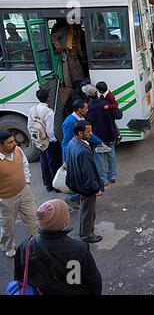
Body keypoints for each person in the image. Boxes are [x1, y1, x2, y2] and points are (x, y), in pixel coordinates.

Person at [13, 199, 102, 295]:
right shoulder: (78, 248)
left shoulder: (25, 246)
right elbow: (93, 280)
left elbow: (19, 277)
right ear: (64, 222)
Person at [0, 130, 39, 258]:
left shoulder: (17, 151)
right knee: (8, 228)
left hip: (24, 192)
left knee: (34, 218)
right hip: (6, 200)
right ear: (1, 146)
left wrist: (26, 182)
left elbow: (24, 164)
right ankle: (9, 247)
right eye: (10, 142)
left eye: (14, 140)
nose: (15, 144)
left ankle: (36, 243)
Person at [62, 100, 106, 211]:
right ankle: (72, 198)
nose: (87, 109)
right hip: (72, 156)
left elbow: (90, 135)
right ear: (78, 110)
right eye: (85, 108)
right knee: (81, 178)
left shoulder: (81, 121)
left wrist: (100, 142)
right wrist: (67, 159)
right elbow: (66, 141)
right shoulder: (69, 122)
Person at [65, 120, 104, 243]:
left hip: (77, 184)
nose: (91, 133)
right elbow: (88, 174)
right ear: (80, 133)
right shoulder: (83, 150)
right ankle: (87, 235)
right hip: (86, 187)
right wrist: (96, 188)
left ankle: (84, 231)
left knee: (84, 209)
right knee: (88, 211)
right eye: (88, 131)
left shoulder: (72, 143)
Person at [27, 89, 63, 192]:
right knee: (54, 162)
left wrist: (36, 139)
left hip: (39, 141)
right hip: (48, 141)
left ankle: (48, 184)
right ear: (48, 97)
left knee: (44, 161)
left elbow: (29, 126)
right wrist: (54, 140)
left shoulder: (32, 109)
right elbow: (49, 131)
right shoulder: (49, 112)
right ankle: (56, 185)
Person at [84, 85, 117, 186]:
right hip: (110, 134)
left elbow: (88, 123)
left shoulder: (89, 108)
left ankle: (103, 179)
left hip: (98, 138)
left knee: (99, 159)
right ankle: (113, 176)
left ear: (88, 95)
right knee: (111, 155)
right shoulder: (106, 103)